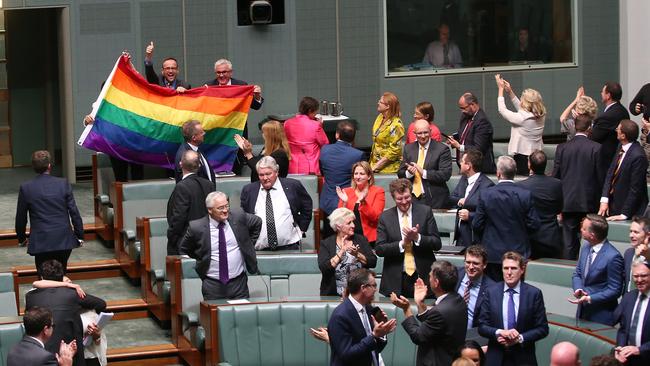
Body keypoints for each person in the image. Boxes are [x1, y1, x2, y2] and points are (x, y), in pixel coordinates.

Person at [179, 191, 261, 300]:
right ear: (209, 210)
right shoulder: (196, 227)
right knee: (215, 316)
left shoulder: (238, 216)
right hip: (212, 284)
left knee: (242, 315)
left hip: (239, 283)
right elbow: (184, 249)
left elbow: (257, 222)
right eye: (220, 208)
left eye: (227, 206)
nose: (225, 210)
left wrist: (248, 245)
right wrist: (199, 259)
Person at [25, 260, 107, 366]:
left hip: (39, 352)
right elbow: (101, 304)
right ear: (62, 276)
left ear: (41, 277)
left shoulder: (30, 297)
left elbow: (36, 284)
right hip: (70, 352)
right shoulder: (72, 294)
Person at [15, 150, 84, 275]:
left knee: (43, 276)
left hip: (41, 241)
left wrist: (21, 238)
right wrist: (79, 235)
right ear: (49, 166)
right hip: (63, 238)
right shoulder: (63, 183)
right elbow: (74, 211)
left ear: (33, 167)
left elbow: (21, 217)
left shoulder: (26, 188)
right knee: (61, 275)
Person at [473, 156, 540, 281]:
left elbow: (477, 224)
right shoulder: (525, 194)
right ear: (514, 173)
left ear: (498, 173)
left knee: (493, 293)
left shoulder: (486, 194)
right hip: (518, 253)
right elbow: (534, 224)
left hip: (492, 253)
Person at [478, 251, 549, 366]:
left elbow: (543, 329)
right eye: (506, 268)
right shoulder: (491, 292)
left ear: (522, 270)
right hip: (496, 357)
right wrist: (499, 333)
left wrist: (519, 338)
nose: (509, 272)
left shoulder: (534, 294)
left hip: (523, 357)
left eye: (513, 268)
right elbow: (482, 326)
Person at [391, 260, 468, 366]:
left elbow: (418, 336)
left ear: (436, 283)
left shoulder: (440, 311)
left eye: (430, 276)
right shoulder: (458, 300)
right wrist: (420, 303)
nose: (428, 278)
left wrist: (406, 309)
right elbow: (437, 326)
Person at [375, 178, 442, 298]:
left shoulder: (425, 211)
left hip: (423, 276)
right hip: (395, 279)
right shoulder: (385, 217)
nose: (404, 202)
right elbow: (380, 249)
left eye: (407, 197)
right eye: (399, 199)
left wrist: (417, 238)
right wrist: (402, 243)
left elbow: (437, 243)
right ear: (393, 197)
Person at [553, 114, 604, 259]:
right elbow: (600, 177)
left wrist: (558, 203)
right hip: (590, 202)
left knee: (569, 244)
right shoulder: (597, 148)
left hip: (567, 201)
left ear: (575, 127)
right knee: (590, 241)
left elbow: (556, 176)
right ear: (590, 128)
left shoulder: (562, 148)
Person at [240, 156, 312, 251]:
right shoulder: (249, 190)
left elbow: (307, 206)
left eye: (268, 174)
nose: (265, 178)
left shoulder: (293, 186)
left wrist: (302, 229)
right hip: (259, 248)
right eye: (261, 175)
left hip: (289, 246)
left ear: (276, 172)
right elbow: (244, 215)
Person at [328, 268, 397, 366]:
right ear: (363, 288)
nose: (376, 289)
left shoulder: (369, 310)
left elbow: (374, 349)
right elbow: (347, 355)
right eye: (373, 286)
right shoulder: (340, 316)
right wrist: (374, 336)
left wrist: (382, 333)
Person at [570, 214, 624, 325]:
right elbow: (578, 274)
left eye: (584, 229)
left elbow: (615, 290)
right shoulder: (585, 247)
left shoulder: (613, 257)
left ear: (592, 235)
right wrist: (578, 289)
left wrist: (590, 298)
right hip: (582, 312)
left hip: (601, 315)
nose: (581, 230)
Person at [495, 74, 546, 175]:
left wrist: (500, 89)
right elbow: (522, 109)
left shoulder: (522, 118)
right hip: (537, 155)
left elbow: (502, 110)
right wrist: (510, 92)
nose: (521, 100)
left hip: (523, 157)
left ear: (526, 102)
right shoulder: (541, 114)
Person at [318, 208, 377, 296]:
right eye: (349, 223)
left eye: (353, 222)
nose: (353, 225)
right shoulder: (326, 243)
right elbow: (324, 268)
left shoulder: (361, 240)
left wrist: (357, 254)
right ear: (338, 226)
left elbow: (373, 262)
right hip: (333, 294)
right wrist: (341, 251)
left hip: (360, 294)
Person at [599, 120, 649, 221]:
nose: (616, 130)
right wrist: (604, 199)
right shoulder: (620, 147)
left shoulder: (638, 156)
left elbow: (635, 189)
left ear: (623, 136)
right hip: (613, 204)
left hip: (631, 211)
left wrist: (624, 214)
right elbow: (611, 173)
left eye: (618, 129)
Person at [166, 150, 214, 255]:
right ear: (199, 166)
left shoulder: (181, 187)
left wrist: (171, 237)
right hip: (206, 240)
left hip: (186, 242)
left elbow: (179, 217)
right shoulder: (209, 185)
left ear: (180, 164)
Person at [517, 150, 564, 259]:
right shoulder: (557, 184)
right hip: (551, 236)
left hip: (529, 238)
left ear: (529, 165)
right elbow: (559, 209)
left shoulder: (520, 186)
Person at [398, 119, 452, 208]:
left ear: (430, 131)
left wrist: (424, 172)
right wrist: (409, 173)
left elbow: (445, 174)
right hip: (413, 199)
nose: (423, 136)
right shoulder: (409, 148)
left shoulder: (442, 149)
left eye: (425, 132)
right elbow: (400, 173)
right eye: (419, 133)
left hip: (435, 199)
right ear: (414, 133)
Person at [448, 150, 494, 247]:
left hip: (475, 237)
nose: (460, 163)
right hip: (460, 235)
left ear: (468, 165)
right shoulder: (463, 179)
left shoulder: (487, 185)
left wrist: (470, 216)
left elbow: (489, 213)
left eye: (462, 161)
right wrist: (460, 201)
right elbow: (452, 198)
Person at [320, 121, 364, 218]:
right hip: (349, 202)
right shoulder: (358, 155)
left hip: (328, 202)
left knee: (330, 233)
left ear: (337, 135)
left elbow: (322, 171)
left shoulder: (324, 150)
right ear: (353, 137)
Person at [6, 307, 77, 366]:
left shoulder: (12, 351)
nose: (53, 328)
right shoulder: (46, 358)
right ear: (45, 330)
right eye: (52, 326)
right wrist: (67, 363)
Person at [337, 161, 385, 247]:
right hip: (349, 238)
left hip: (370, 239)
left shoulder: (378, 191)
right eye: (356, 174)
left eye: (362, 174)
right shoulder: (346, 192)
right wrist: (344, 203)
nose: (358, 177)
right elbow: (340, 220)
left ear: (369, 176)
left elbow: (376, 217)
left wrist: (363, 202)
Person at [447, 92, 496, 174]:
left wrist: (459, 146)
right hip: (464, 167)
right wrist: (454, 138)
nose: (462, 111)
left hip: (479, 169)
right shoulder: (465, 116)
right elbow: (464, 134)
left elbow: (478, 149)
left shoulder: (482, 122)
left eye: (463, 108)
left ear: (472, 105)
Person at [614, 260, 650, 365]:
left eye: (643, 276)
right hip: (629, 360)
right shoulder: (628, 297)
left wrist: (640, 349)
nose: (639, 280)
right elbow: (623, 329)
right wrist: (620, 347)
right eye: (635, 276)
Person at [283, 96, 329, 175]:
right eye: (315, 112)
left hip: (292, 165)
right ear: (310, 111)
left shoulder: (287, 123)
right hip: (310, 166)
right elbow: (325, 144)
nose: (315, 115)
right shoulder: (316, 125)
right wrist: (320, 126)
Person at [591, 81, 630, 171]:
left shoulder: (608, 116)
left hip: (607, 161)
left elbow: (593, 137)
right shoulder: (623, 110)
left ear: (608, 95)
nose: (601, 93)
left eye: (602, 92)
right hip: (617, 158)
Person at [455, 245, 495, 329]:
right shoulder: (454, 275)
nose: (471, 267)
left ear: (484, 265)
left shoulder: (492, 289)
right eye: (468, 262)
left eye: (475, 263)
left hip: (474, 335)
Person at [369, 92, 404, 174]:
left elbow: (394, 151)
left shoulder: (396, 125)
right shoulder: (380, 117)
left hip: (388, 169)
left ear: (388, 106)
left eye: (380, 102)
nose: (378, 103)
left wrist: (376, 166)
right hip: (374, 164)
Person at [624, 217, 650, 293]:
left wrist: (647, 255)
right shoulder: (628, 253)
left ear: (648, 235)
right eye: (630, 231)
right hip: (630, 300)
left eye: (636, 232)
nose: (631, 235)